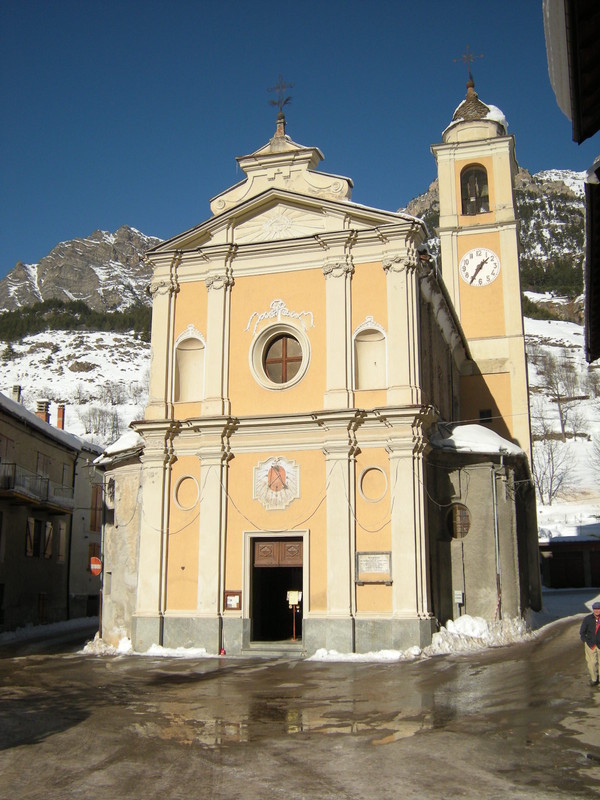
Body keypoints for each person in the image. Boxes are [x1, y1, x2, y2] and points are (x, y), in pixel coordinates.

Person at [579, 601, 600, 686]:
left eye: (598, 609)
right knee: (592, 663)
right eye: (595, 609)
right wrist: (585, 641)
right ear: (593, 610)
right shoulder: (587, 619)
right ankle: (594, 679)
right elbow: (582, 632)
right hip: (590, 644)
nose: (597, 611)